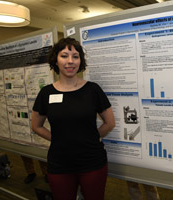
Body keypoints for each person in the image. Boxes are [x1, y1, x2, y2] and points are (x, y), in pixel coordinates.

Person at [31, 37, 115, 200]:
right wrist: (58, 139)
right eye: (64, 56)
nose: (70, 61)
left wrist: (92, 137)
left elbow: (110, 123)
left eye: (75, 56)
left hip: (92, 162)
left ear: (80, 61)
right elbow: (36, 126)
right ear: (55, 60)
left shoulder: (93, 89)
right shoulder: (46, 93)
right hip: (60, 162)